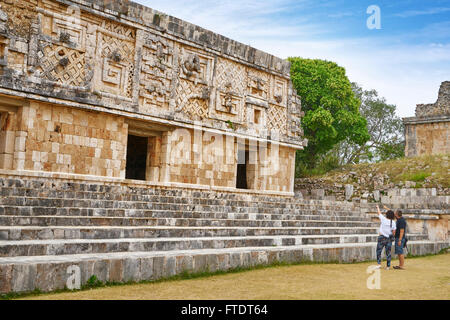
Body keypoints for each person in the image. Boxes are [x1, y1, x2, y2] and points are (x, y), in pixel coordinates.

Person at [375, 205, 396, 270]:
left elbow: (379, 213)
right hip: (388, 238)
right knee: (388, 253)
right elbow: (394, 232)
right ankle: (388, 266)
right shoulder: (393, 222)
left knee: (379, 251)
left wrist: (378, 207)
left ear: (386, 215)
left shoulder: (383, 219)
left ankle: (379, 264)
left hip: (381, 237)